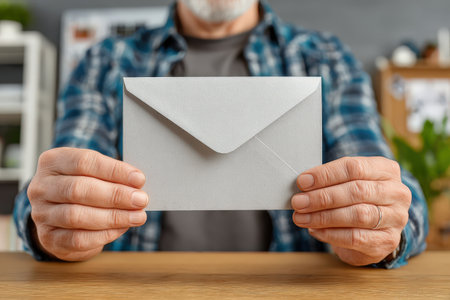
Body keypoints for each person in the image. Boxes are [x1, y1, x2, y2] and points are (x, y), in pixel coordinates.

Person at [14, 0, 428, 268]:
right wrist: (50, 220)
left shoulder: (325, 57)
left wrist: (383, 225)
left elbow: (396, 193)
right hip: (138, 292)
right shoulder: (107, 60)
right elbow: (52, 188)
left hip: (294, 293)